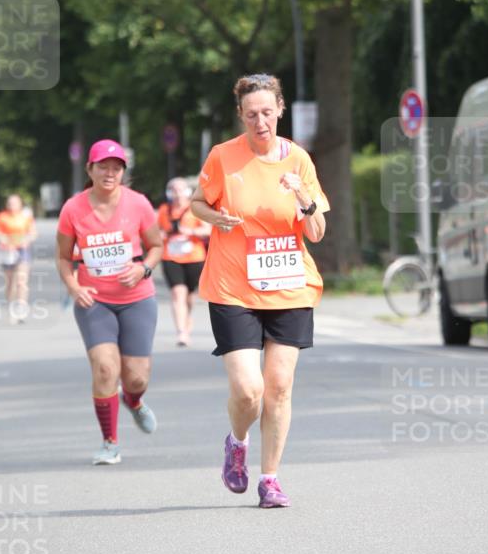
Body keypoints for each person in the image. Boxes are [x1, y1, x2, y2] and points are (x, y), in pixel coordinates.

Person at [190, 74, 329, 508]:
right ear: (241, 116)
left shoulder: (299, 160)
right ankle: (237, 442)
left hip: (289, 286)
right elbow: (197, 202)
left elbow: (318, 231)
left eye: (267, 112)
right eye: (251, 114)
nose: (260, 121)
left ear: (280, 110)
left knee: (280, 386)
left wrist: (303, 197)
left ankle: (270, 479)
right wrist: (214, 219)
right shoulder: (222, 157)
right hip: (233, 286)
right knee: (250, 390)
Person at [56, 139, 163, 465]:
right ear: (90, 169)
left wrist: (143, 268)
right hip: (94, 301)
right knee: (105, 368)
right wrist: (74, 287)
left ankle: (133, 400)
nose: (110, 172)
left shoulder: (139, 204)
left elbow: (157, 246)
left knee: (137, 378)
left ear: (123, 173)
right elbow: (63, 258)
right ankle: (110, 442)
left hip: (137, 299)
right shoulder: (73, 209)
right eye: (103, 166)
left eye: (116, 168)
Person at [157, 177, 211, 346]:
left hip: (194, 257)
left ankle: (187, 317)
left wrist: (189, 231)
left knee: (189, 296)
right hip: (171, 257)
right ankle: (181, 332)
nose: (177, 193)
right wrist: (161, 235)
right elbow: (157, 231)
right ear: (169, 193)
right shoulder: (164, 210)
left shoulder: (195, 208)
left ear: (187, 192)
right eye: (173, 190)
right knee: (177, 293)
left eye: (180, 189)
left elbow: (208, 230)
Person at [0, 194, 37, 324]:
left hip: (22, 250)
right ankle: (11, 308)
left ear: (20, 204)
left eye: (15, 203)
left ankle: (21, 309)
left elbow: (33, 233)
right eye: (10, 203)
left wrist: (27, 240)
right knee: (10, 283)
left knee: (21, 281)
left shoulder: (26, 217)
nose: (12, 206)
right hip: (7, 251)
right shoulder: (2, 217)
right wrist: (1, 237)